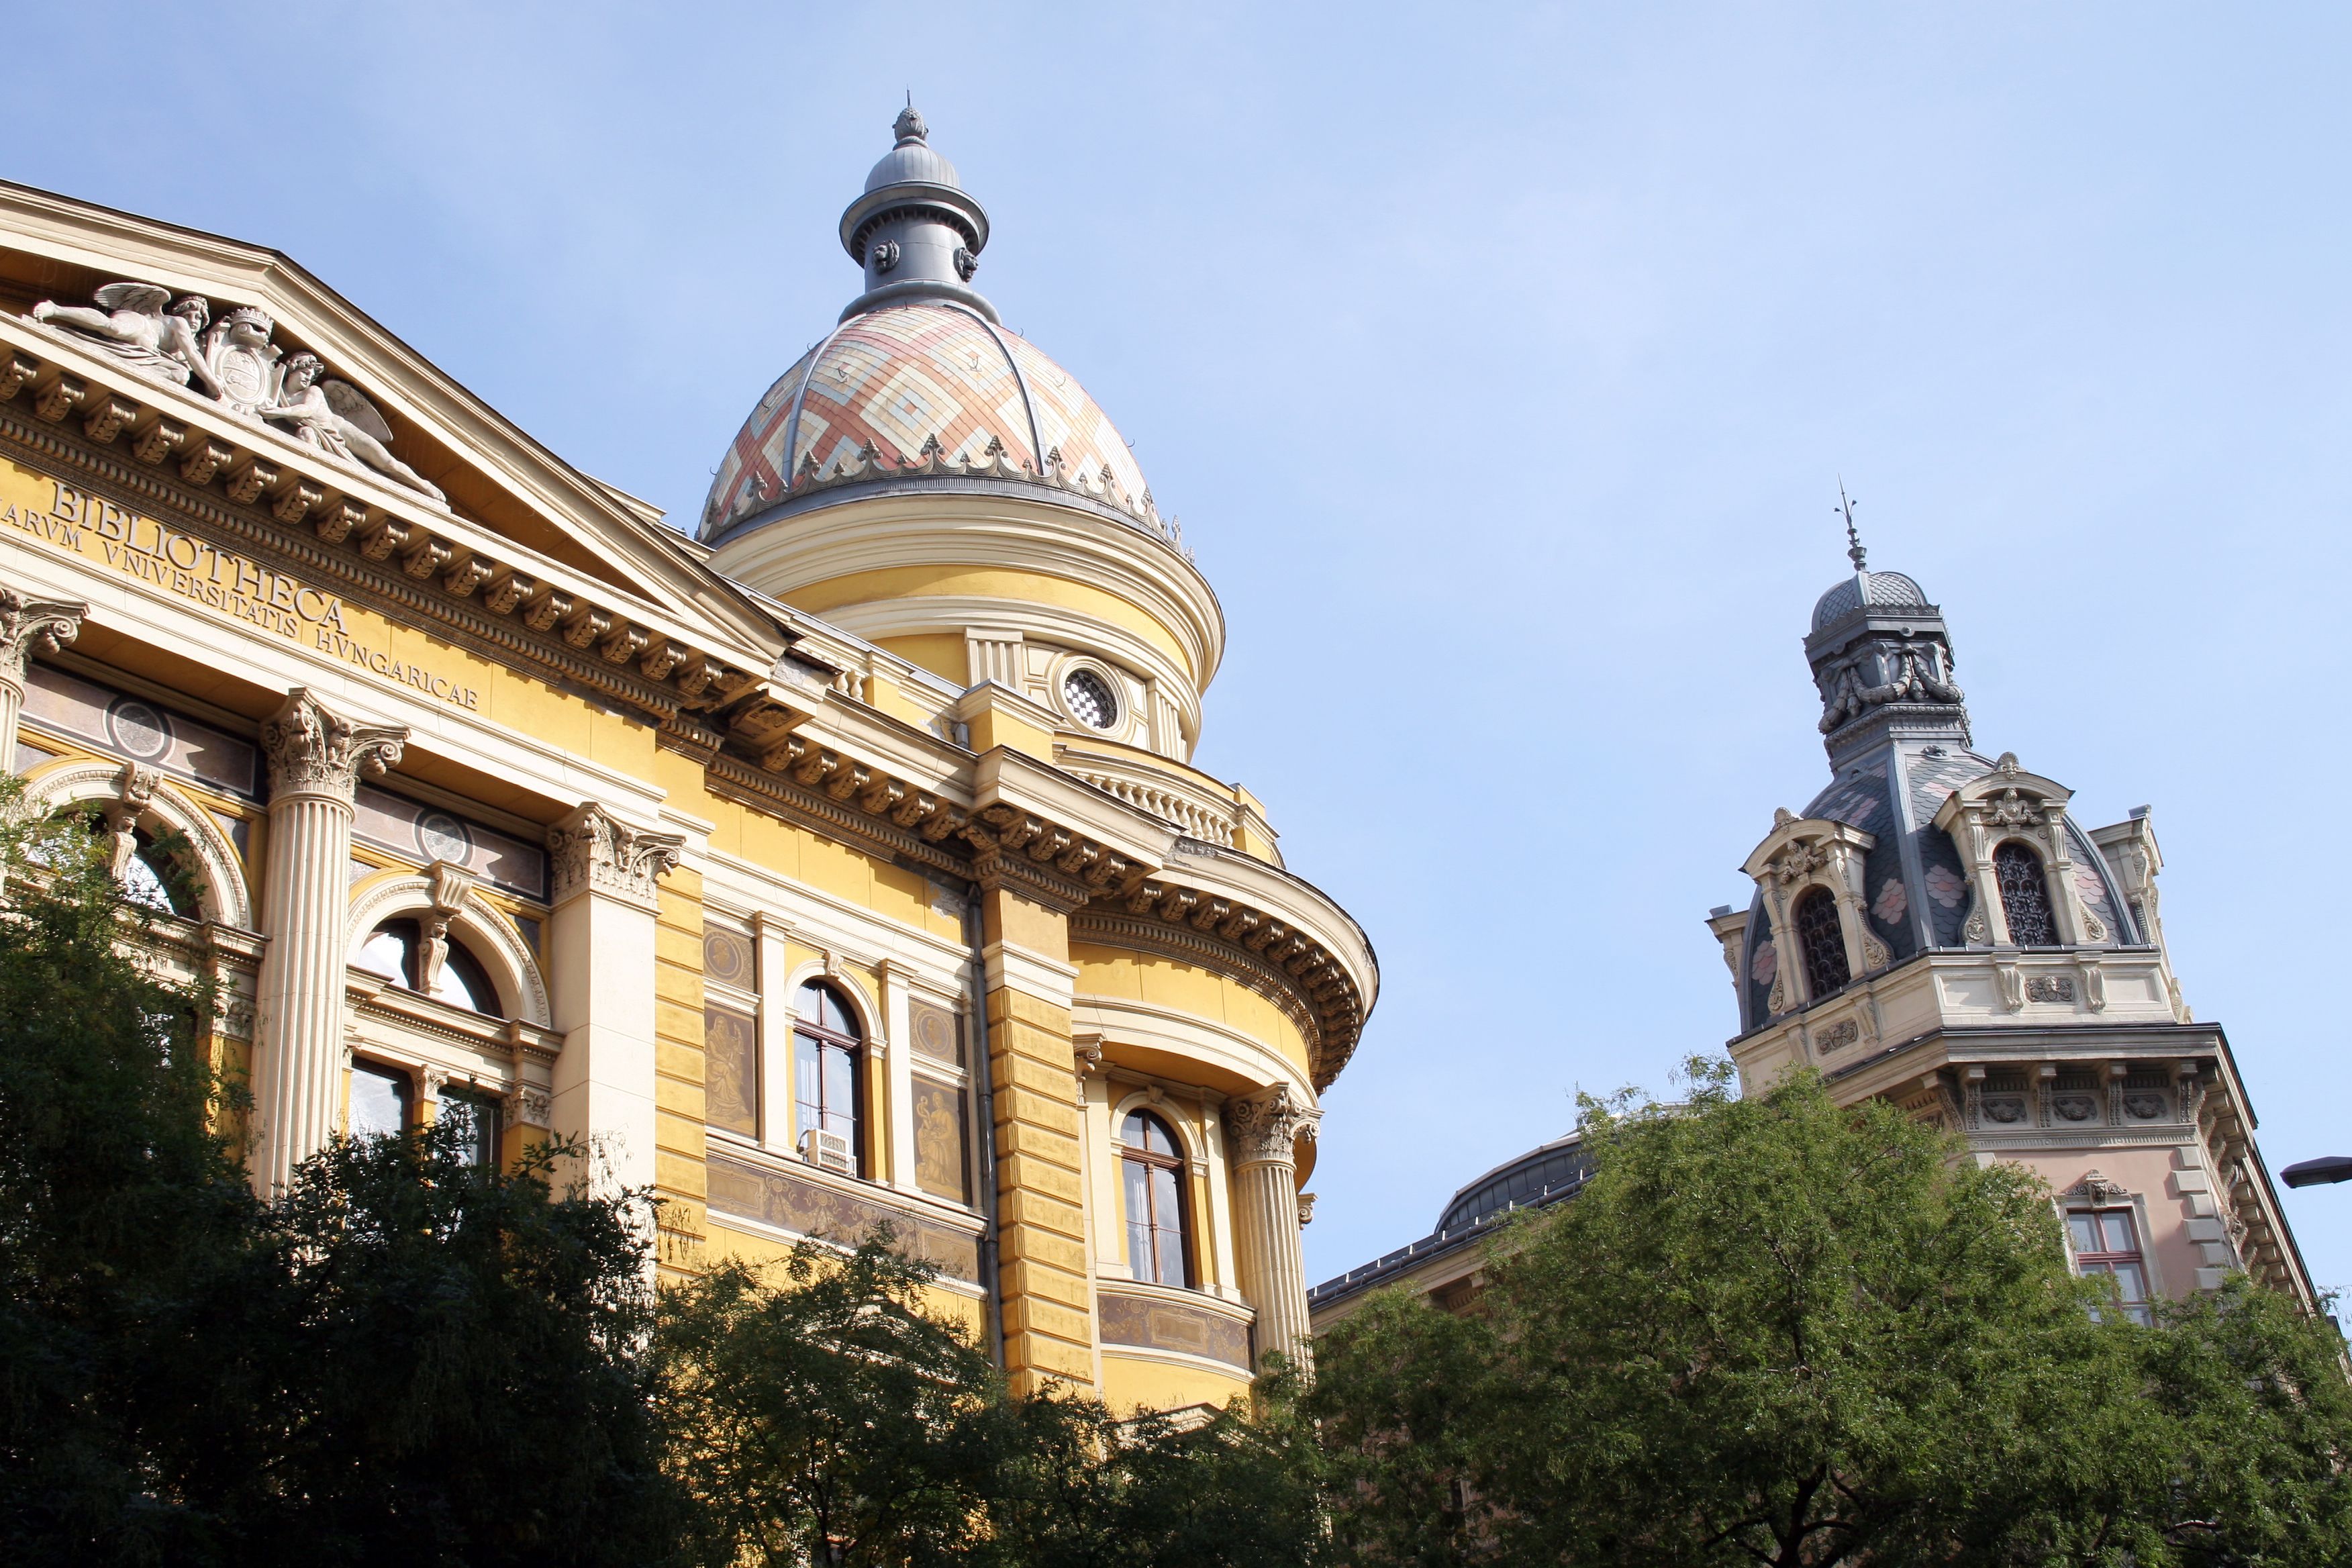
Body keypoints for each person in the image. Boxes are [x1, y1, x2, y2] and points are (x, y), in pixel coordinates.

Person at [253, 352, 444, 503]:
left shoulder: (314, 391)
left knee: (388, 463)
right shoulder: (280, 392)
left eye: (311, 375)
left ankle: (423, 486)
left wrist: (278, 412)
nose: (308, 378)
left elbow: (306, 410)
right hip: (317, 434)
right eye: (304, 372)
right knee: (306, 434)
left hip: (343, 431)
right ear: (293, 369)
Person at [30, 282, 224, 395]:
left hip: (148, 351)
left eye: (199, 317)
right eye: (188, 314)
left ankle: (128, 374)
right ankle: (55, 309)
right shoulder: (177, 324)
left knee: (181, 375)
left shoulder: (182, 351)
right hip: (141, 326)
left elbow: (187, 361)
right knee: (113, 328)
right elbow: (193, 354)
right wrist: (212, 383)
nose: (193, 320)